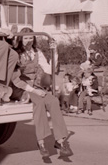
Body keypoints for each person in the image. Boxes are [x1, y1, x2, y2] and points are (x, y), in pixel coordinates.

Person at [10, 28, 72, 157]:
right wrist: (34, 91)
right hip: (22, 87)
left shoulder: (36, 52)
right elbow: (15, 79)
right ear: (21, 40)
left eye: (31, 38)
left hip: (37, 86)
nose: (29, 40)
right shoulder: (16, 54)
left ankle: (60, 140)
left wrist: (54, 53)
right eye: (26, 38)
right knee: (39, 103)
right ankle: (41, 141)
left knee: (54, 101)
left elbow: (49, 69)